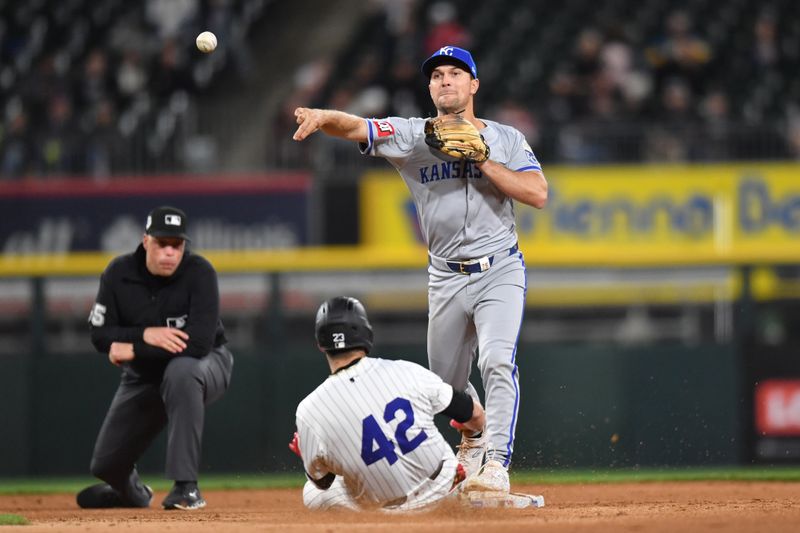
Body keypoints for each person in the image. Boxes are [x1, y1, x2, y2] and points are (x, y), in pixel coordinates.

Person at [292, 45, 548, 494]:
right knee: (446, 385)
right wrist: (322, 116)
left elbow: (537, 193)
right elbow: (357, 125)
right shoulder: (412, 135)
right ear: (430, 88)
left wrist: (483, 160)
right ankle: (472, 434)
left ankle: (496, 466)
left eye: (455, 73)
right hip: (445, 275)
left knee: (496, 360)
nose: (445, 80)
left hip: (499, 268)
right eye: (437, 76)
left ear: (474, 85)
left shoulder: (506, 139)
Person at [77, 206, 233, 510]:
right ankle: (131, 494)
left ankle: (185, 487)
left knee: (182, 371)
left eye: (177, 245)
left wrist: (135, 348)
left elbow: (199, 344)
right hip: (144, 376)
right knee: (107, 465)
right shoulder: (118, 273)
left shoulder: (200, 273)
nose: (169, 253)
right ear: (145, 241)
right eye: (162, 243)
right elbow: (99, 334)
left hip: (207, 364)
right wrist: (144, 334)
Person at [290, 296, 485, 511]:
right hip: (445, 486)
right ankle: (467, 485)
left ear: (320, 344)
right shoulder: (406, 370)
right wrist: (474, 434)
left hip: (390, 515)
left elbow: (322, 481)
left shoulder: (309, 411)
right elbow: (476, 415)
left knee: (313, 492)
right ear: (367, 334)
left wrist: (311, 450)